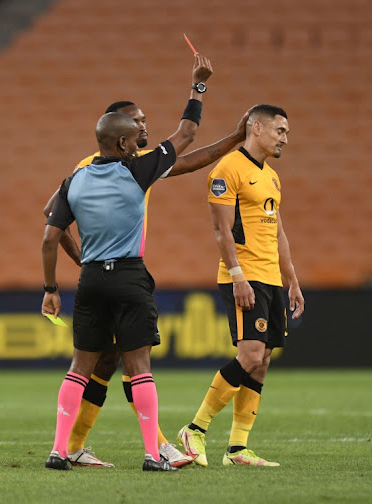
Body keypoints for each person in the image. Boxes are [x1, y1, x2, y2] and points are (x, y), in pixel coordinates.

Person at [43, 102, 251, 468]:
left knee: (82, 367)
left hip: (91, 278)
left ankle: (60, 449)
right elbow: (187, 138)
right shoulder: (139, 169)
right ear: (122, 140)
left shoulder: (76, 177)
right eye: (137, 126)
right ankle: (154, 453)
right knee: (138, 367)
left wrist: (56, 283)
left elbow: (49, 231)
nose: (144, 132)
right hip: (128, 275)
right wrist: (199, 90)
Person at [177, 105, 304, 467]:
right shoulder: (227, 170)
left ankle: (237, 449)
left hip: (272, 279)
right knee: (249, 355)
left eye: (287, 132)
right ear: (257, 127)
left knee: (262, 360)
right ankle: (195, 429)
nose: (285, 138)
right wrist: (237, 277)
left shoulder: (273, 178)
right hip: (244, 276)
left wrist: (291, 280)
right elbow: (220, 230)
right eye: (280, 130)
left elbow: (278, 232)